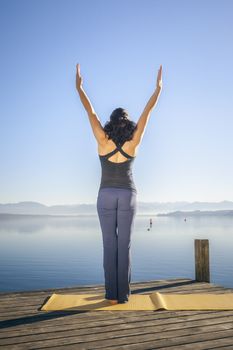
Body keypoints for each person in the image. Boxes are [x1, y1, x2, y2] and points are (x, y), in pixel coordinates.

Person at [76, 63, 162, 304]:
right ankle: (123, 295)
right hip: (127, 195)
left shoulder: (102, 140)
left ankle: (110, 295)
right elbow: (147, 113)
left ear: (111, 122)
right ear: (127, 122)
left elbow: (90, 112)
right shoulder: (133, 143)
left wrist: (79, 88)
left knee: (108, 244)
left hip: (105, 195)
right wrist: (158, 90)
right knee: (124, 245)